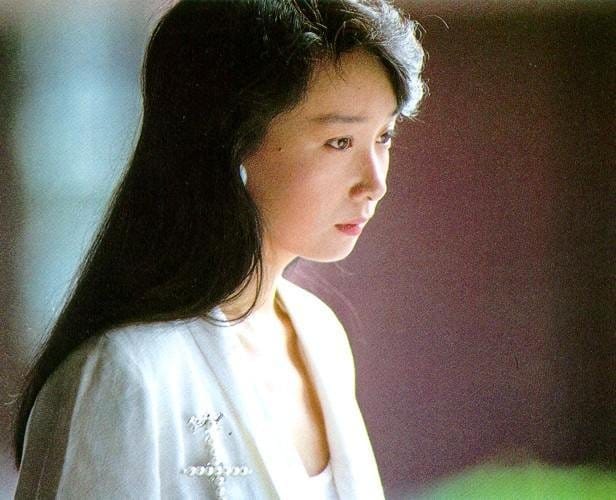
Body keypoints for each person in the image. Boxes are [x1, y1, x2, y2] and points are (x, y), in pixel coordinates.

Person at [12, 0, 425, 498]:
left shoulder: (321, 335)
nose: (375, 182)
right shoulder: (128, 372)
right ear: (233, 143)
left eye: (384, 136)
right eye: (340, 142)